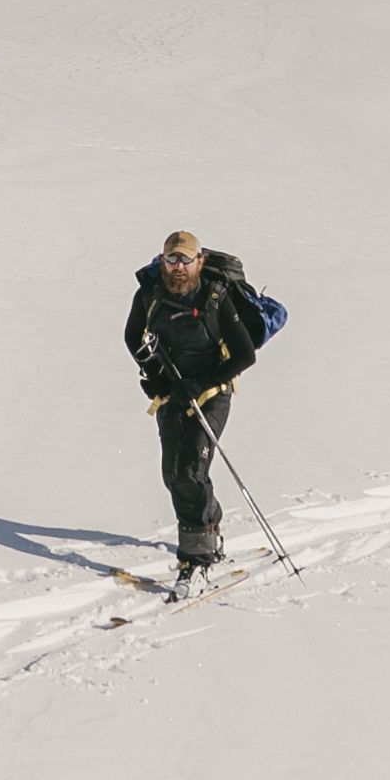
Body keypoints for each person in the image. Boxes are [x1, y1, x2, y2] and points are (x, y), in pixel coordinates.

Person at [124, 229, 271, 580]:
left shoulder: (216, 297)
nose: (178, 267)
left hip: (212, 392)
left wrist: (202, 382)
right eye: (171, 259)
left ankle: (197, 558)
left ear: (199, 262)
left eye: (185, 259)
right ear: (162, 261)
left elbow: (244, 355)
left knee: (190, 469)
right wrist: (152, 374)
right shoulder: (150, 295)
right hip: (172, 393)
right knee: (174, 473)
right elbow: (132, 337)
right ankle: (210, 523)